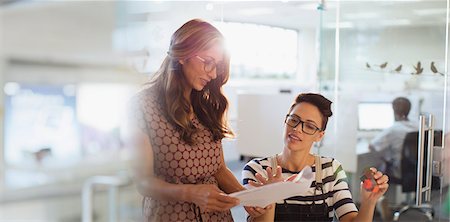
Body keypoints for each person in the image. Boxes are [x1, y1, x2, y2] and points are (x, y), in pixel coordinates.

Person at [124, 19, 265, 221]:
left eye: (217, 65)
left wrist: (247, 197)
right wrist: (190, 193)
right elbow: (143, 182)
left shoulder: (207, 106)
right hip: (171, 216)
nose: (213, 73)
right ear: (183, 55)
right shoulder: (142, 106)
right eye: (207, 61)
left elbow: (219, 170)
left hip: (217, 217)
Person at [242, 93, 389, 221]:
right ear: (285, 120)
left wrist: (369, 203)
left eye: (310, 126)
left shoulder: (330, 169)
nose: (297, 128)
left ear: (319, 136)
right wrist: (269, 196)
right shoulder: (257, 169)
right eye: (294, 120)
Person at [369, 97, 417, 183]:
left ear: (394, 110)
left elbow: (372, 146)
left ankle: (377, 195)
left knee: (372, 172)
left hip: (399, 172)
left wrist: (384, 158)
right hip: (416, 170)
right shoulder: (417, 126)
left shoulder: (394, 129)